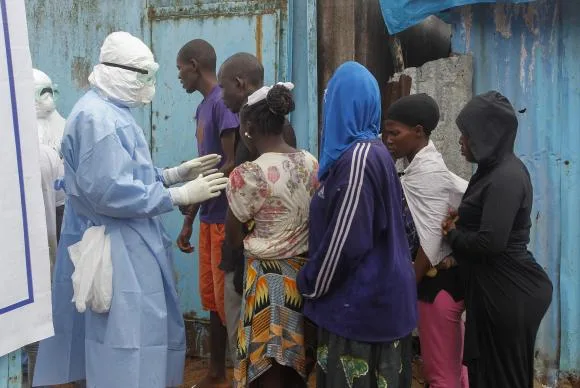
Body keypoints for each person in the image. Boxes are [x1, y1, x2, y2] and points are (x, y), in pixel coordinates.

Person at [33, 31, 227, 388]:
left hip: (132, 242)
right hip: (117, 248)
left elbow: (128, 174)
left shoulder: (112, 112)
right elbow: (111, 193)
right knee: (123, 343)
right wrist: (178, 195)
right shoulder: (97, 120)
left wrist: (172, 174)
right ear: (119, 72)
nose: (149, 85)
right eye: (144, 76)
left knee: (142, 335)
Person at [297, 61, 417, 388]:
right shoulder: (375, 153)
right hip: (379, 308)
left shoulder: (359, 159)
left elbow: (346, 244)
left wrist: (309, 283)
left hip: (360, 313)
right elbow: (406, 229)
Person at [442, 91, 553, 388]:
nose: (461, 141)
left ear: (487, 135)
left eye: (467, 135)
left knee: (503, 379)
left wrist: (451, 234)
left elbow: (490, 244)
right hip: (497, 292)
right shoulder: (491, 172)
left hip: (510, 295)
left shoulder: (506, 177)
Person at [226, 83, 319, 388]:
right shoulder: (310, 162)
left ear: (249, 128)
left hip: (265, 280)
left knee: (266, 367)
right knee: (295, 363)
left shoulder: (248, 174)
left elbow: (233, 234)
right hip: (303, 278)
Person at [217, 52, 298, 363]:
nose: (222, 97)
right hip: (275, 265)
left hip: (251, 264)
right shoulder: (293, 149)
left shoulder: (259, 140)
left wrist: (236, 259)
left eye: (224, 88)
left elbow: (244, 210)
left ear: (240, 84)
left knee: (250, 349)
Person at [385, 94, 469, 388]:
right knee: (453, 367)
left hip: (436, 287)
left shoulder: (428, 172)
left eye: (395, 133)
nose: (389, 140)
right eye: (386, 133)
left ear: (418, 132)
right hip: (439, 283)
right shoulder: (414, 167)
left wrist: (407, 290)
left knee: (441, 376)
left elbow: (430, 242)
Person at [175, 39, 239, 388]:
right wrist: (188, 218)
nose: (179, 77)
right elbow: (206, 170)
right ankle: (216, 372)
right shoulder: (202, 108)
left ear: (194, 65)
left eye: (180, 69)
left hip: (225, 218)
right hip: (207, 217)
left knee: (227, 302)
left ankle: (232, 372)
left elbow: (230, 163)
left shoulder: (222, 105)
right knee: (212, 301)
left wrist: (194, 197)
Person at [33, 68, 66, 240]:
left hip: (60, 202)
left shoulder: (59, 123)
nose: (48, 100)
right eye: (42, 94)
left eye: (50, 92)